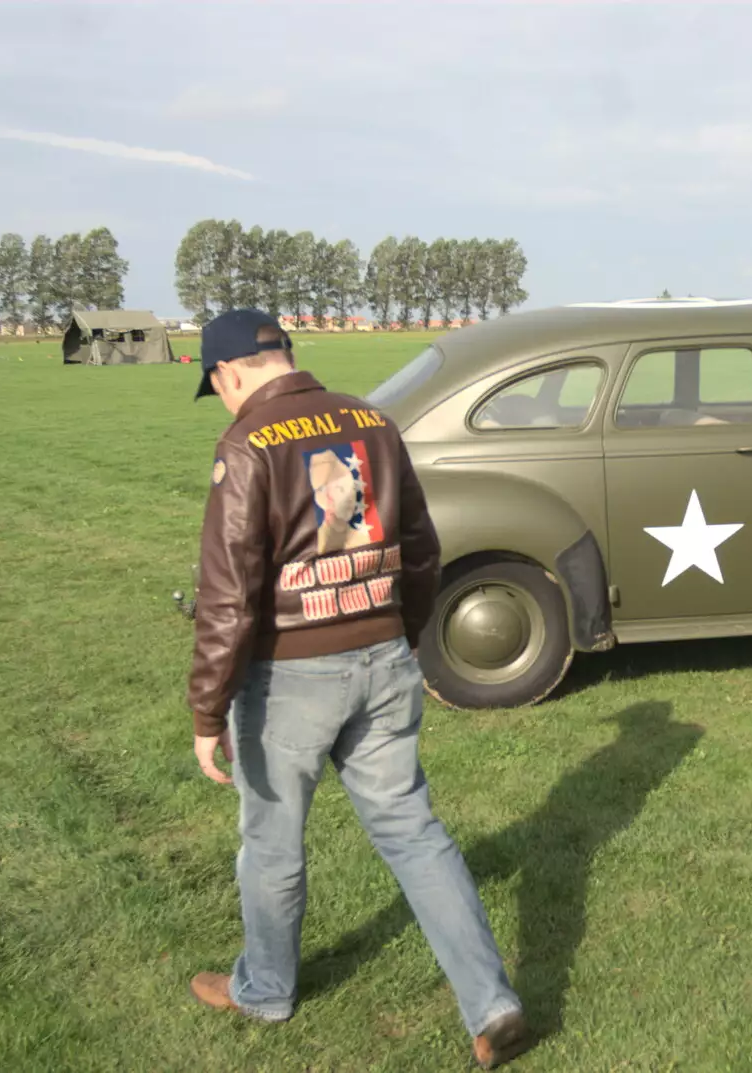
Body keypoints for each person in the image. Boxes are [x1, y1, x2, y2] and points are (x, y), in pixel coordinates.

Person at [184, 308, 532, 1069]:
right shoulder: (372, 421)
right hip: (382, 655)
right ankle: (492, 1001)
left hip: (288, 679)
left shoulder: (245, 443)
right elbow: (421, 547)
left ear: (230, 372)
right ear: (288, 353)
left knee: (271, 844)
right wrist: (401, 632)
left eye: (218, 386)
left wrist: (207, 708)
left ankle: (266, 988)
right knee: (414, 832)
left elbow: (230, 595)